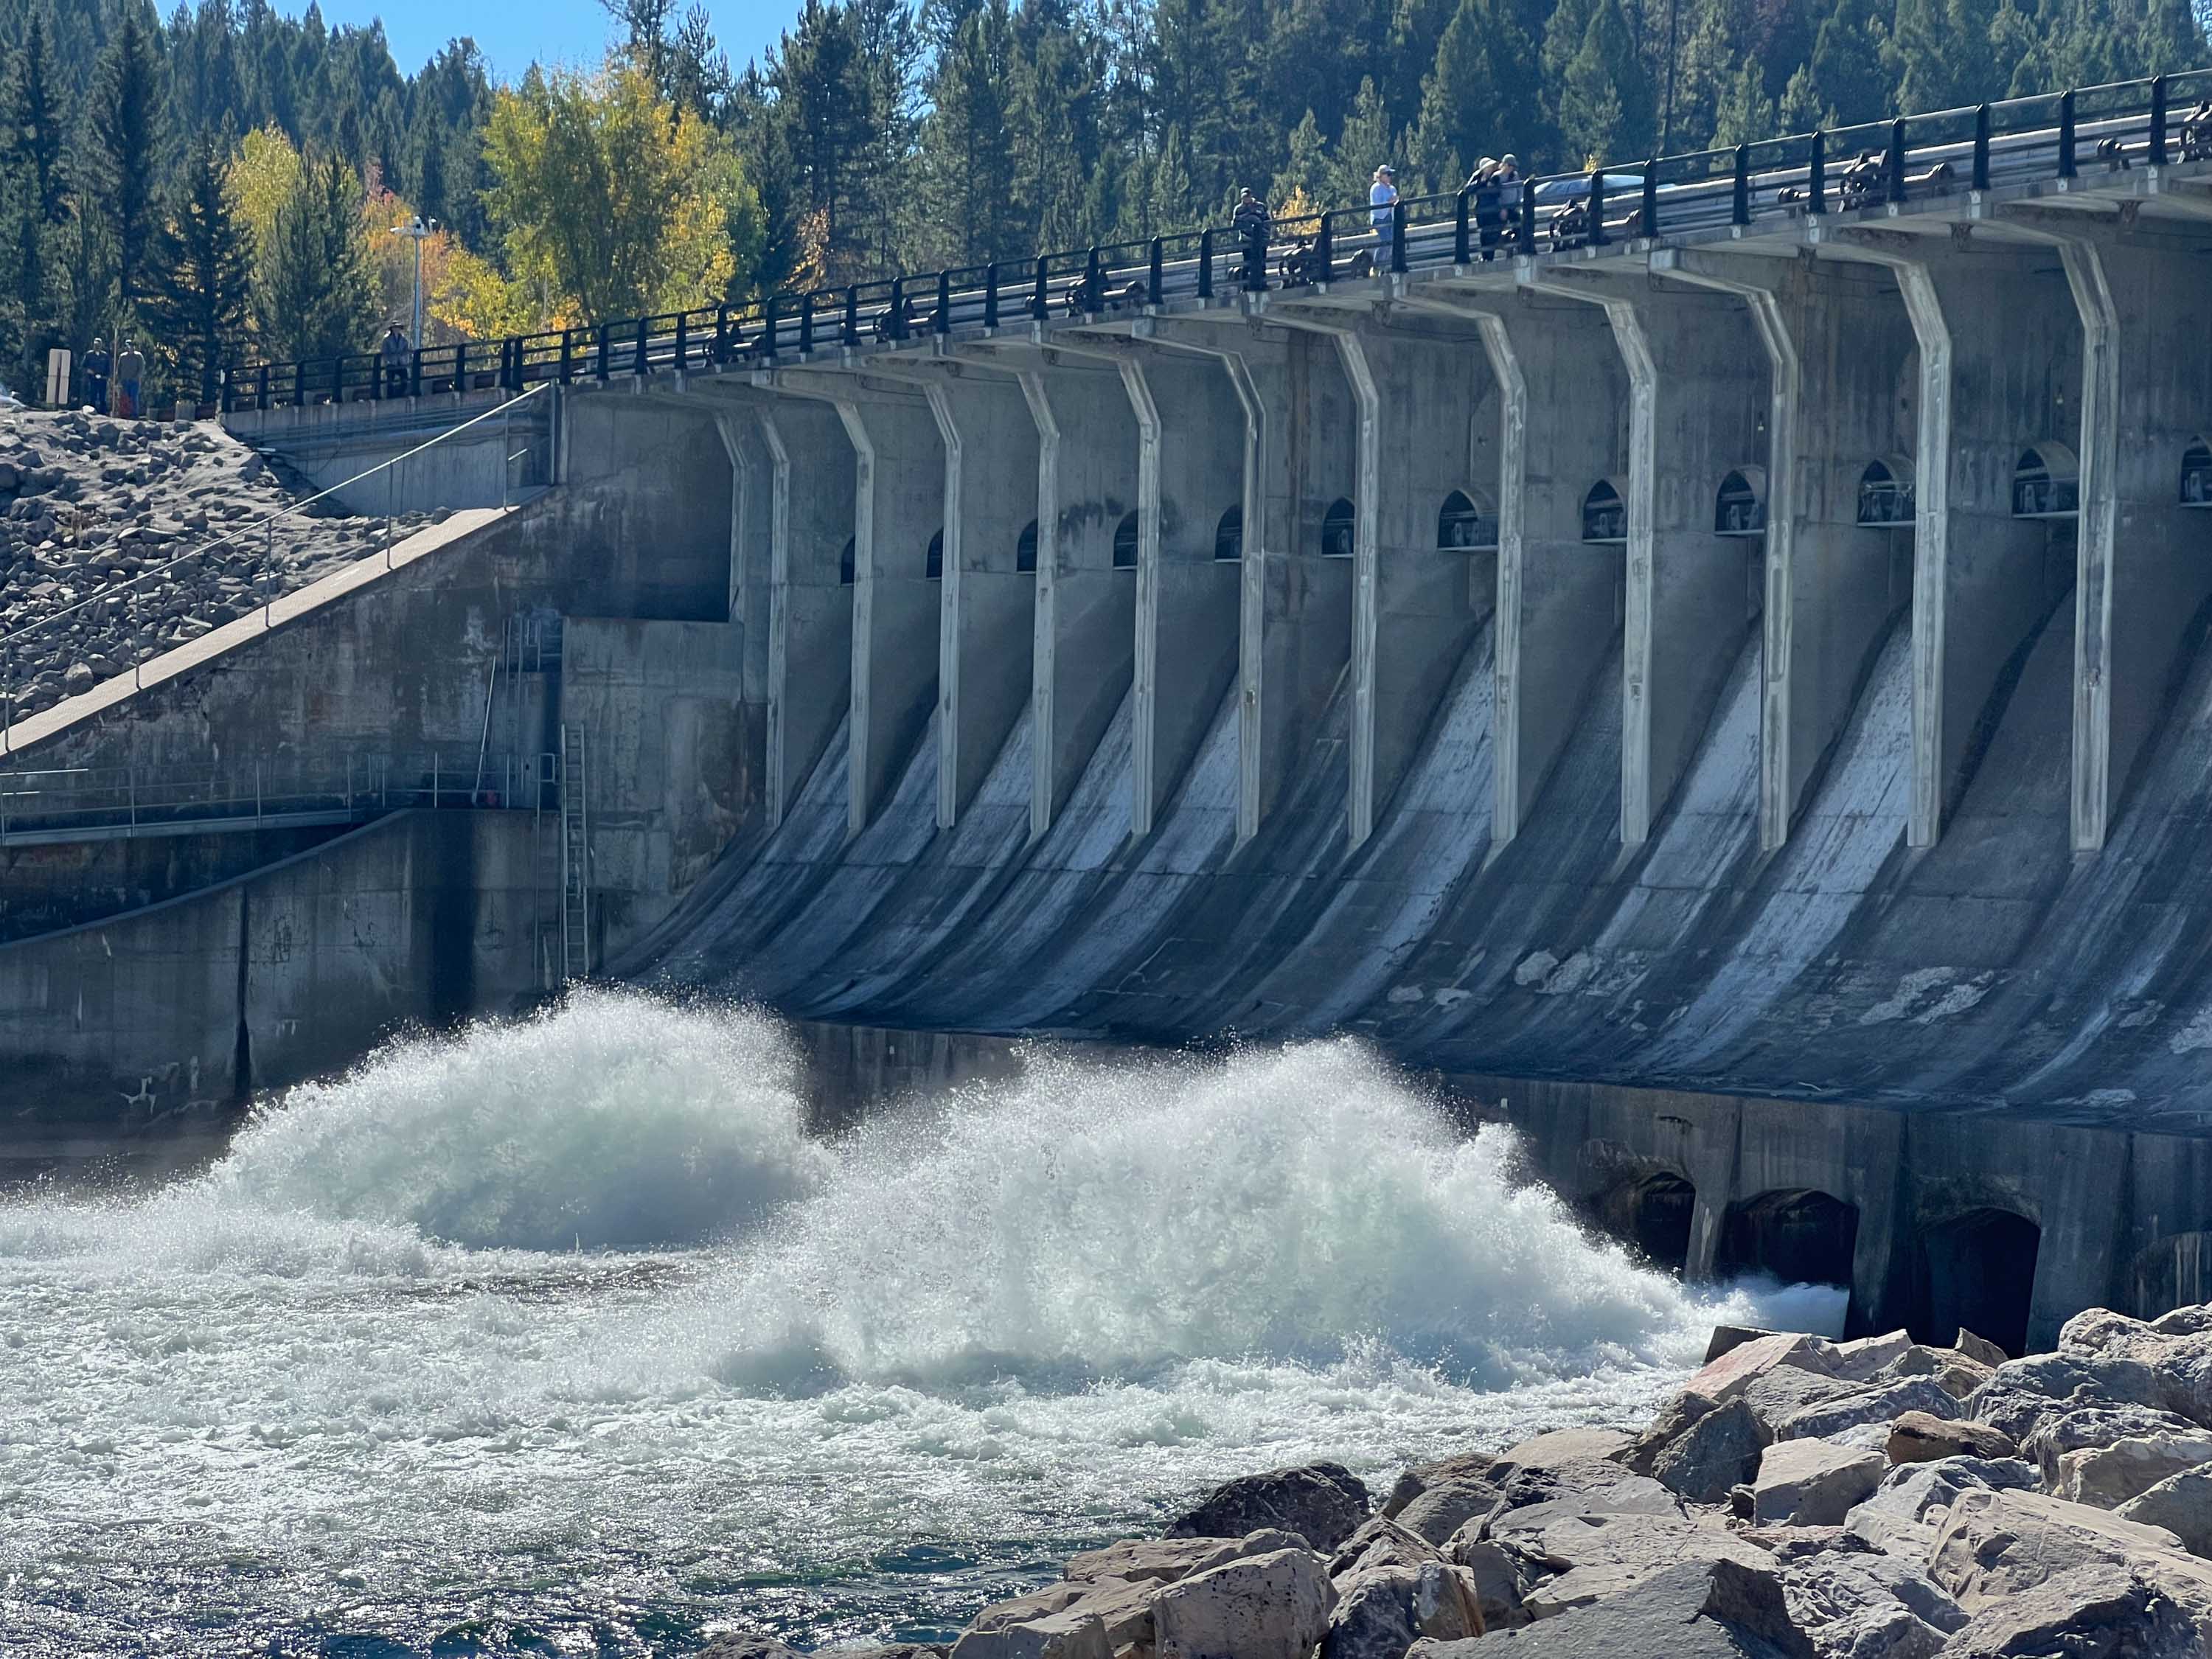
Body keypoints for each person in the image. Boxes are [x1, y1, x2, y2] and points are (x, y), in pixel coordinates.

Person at [1232, 187, 1270, 291]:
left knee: (1262, 263)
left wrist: (1265, 235)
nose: (1247, 199)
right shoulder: (1239, 209)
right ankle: (1245, 287)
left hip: (1261, 240)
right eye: (1245, 197)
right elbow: (1235, 224)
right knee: (1247, 263)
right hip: (1247, 240)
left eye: (1248, 197)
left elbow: (1267, 221)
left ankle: (1263, 284)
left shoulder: (1260, 207)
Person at [114, 338, 143, 419]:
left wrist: (136, 377)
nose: (128, 348)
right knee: (125, 398)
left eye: (129, 346)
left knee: (134, 397)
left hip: (134, 381)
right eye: (126, 346)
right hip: (124, 381)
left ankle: (135, 414)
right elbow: (119, 368)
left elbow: (141, 368)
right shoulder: (122, 356)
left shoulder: (138, 356)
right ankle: (126, 414)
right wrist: (119, 379)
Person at [380, 322, 411, 398]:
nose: (397, 329)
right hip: (391, 363)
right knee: (390, 381)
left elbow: (406, 351)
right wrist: (387, 362)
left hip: (401, 362)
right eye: (395, 327)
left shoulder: (404, 340)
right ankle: (390, 397)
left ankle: (400, 394)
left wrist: (405, 361)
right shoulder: (387, 340)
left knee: (405, 379)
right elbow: (384, 352)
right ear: (392, 329)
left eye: (398, 327)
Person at [1368, 164, 1398, 240]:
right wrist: (1389, 201)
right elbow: (1376, 207)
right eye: (1388, 174)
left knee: (1392, 242)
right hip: (1379, 219)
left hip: (1391, 218)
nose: (1390, 177)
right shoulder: (1376, 188)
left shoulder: (1392, 189)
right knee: (1387, 241)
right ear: (1381, 176)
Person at [83, 336, 111, 414]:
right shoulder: (89, 355)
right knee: (92, 396)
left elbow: (108, 368)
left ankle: (103, 414)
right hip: (92, 379)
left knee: (102, 397)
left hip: (102, 379)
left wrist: (106, 377)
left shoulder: (105, 356)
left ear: (101, 345)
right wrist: (89, 371)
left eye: (98, 345)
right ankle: (92, 413)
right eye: (95, 345)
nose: (97, 347)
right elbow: (84, 366)